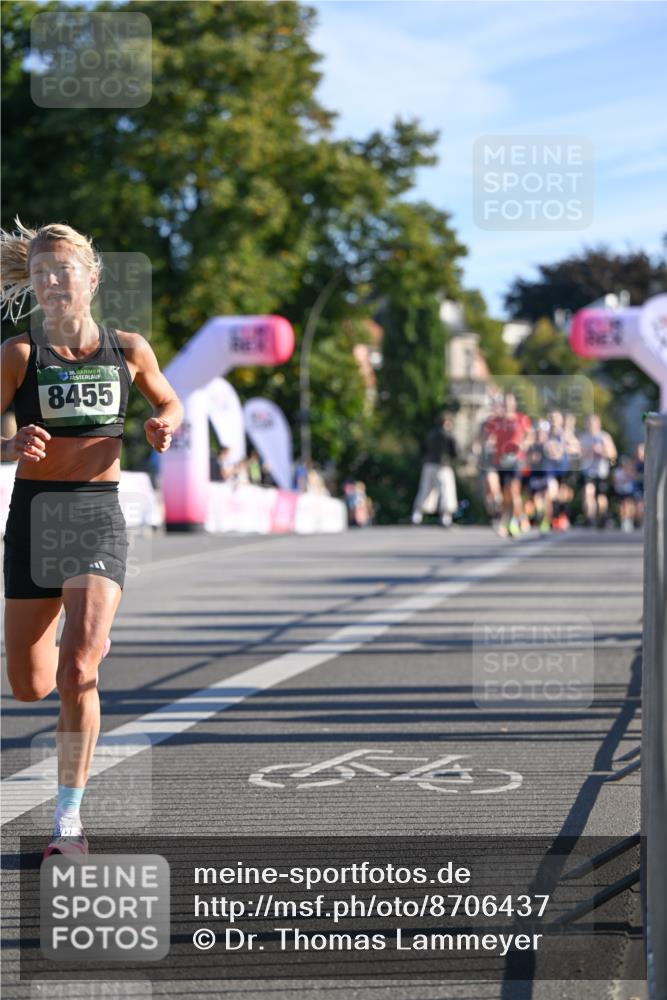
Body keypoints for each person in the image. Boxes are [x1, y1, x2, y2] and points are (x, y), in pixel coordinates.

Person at [0, 219, 183, 857]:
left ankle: (68, 824)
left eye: (64, 270)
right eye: (42, 271)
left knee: (80, 668)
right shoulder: (18, 355)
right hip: (32, 517)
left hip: (96, 515)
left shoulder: (129, 349)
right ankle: (66, 629)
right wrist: (10, 444)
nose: (52, 280)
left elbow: (170, 402)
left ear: (91, 278)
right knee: (29, 685)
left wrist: (163, 425)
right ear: (33, 281)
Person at [482, 392, 532, 537]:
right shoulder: (496, 420)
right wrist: (485, 443)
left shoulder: (521, 419)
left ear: (514, 404)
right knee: (505, 495)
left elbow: (530, 435)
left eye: (510, 402)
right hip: (500, 460)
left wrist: (523, 445)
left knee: (514, 491)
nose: (507, 405)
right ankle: (507, 519)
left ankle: (514, 521)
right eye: (505, 402)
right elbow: (486, 436)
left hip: (516, 460)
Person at [411, 411, 458, 527]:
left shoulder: (430, 434)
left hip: (428, 465)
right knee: (446, 491)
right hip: (443, 466)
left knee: (425, 489)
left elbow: (422, 450)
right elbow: (454, 452)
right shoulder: (448, 436)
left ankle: (417, 515)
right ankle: (446, 517)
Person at [579, 414, 617, 528]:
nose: (590, 426)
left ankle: (602, 517)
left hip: (601, 471)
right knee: (588, 492)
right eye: (589, 424)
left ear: (598, 424)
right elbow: (579, 455)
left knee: (601, 497)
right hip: (588, 471)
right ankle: (590, 518)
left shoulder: (604, 437)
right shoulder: (583, 437)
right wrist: (589, 451)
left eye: (593, 424)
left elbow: (613, 456)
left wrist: (603, 452)